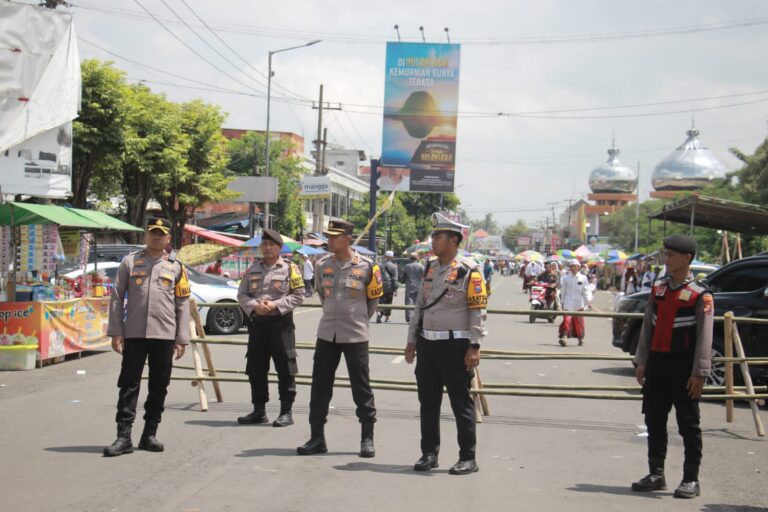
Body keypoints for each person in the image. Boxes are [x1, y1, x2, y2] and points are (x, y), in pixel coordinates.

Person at [404, 213, 488, 475]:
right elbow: (419, 306)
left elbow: (477, 310)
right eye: (433, 237)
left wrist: (474, 346)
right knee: (428, 403)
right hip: (427, 345)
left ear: (453, 240)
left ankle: (468, 458)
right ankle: (429, 454)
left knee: (460, 403)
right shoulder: (428, 267)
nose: (433, 241)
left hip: (455, 346)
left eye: (437, 236)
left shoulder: (469, 270)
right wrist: (411, 341)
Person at [632, 235, 713, 499]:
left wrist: (700, 372)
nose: (666, 259)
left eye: (671, 255)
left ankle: (691, 479)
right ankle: (656, 473)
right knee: (654, 419)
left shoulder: (700, 294)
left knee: (688, 424)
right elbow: (647, 327)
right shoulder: (659, 289)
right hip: (657, 364)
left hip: (684, 367)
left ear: (687, 258)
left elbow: (705, 336)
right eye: (665, 254)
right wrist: (642, 361)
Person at [103, 217, 191, 457]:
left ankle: (149, 434)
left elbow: (182, 304)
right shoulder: (130, 262)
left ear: (168, 238)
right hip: (134, 333)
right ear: (146, 235)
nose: (156, 237)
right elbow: (117, 297)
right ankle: (123, 437)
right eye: (153, 232)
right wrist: (116, 331)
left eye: (161, 233)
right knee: (128, 384)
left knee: (159, 385)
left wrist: (182, 338)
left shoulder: (176, 267)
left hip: (164, 335)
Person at [297, 219, 383, 457]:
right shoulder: (322, 265)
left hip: (355, 334)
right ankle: (317, 437)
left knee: (361, 387)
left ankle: (367, 438)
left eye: (334, 237)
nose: (330, 241)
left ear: (348, 239)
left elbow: (373, 301)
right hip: (327, 334)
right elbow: (322, 296)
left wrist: (357, 318)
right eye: (329, 236)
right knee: (320, 386)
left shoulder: (367, 266)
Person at [236, 229, 305, 427]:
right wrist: (254, 306)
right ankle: (259, 411)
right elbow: (242, 294)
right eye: (264, 244)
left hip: (281, 325)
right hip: (257, 325)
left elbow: (299, 295)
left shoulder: (290, 268)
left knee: (285, 368)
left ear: (279, 247)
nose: (267, 248)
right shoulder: (252, 268)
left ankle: (286, 412)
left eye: (271, 245)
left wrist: (275, 305)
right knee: (256, 368)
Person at [558, 259, 592, 347]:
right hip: (568, 302)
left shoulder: (583, 278)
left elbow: (586, 291)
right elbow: (563, 291)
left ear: (578, 267)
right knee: (567, 320)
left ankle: (580, 339)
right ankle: (564, 338)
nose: (572, 268)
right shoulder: (566, 278)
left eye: (574, 266)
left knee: (578, 322)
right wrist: (561, 303)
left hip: (578, 303)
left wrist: (588, 300)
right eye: (571, 266)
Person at [400, 252, 424, 323]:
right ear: (417, 258)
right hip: (419, 287)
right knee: (418, 303)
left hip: (410, 287)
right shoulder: (421, 266)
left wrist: (402, 280)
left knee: (409, 302)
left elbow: (402, 277)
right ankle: (417, 318)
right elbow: (424, 277)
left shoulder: (406, 266)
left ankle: (410, 319)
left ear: (410, 258)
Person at [377, 250, 399, 323]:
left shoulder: (379, 264)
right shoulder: (393, 266)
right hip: (389, 286)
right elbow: (395, 278)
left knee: (381, 300)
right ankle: (387, 318)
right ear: (392, 257)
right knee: (389, 302)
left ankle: (379, 312)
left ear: (385, 256)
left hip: (380, 285)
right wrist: (396, 289)